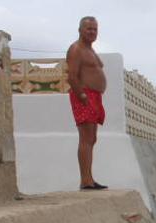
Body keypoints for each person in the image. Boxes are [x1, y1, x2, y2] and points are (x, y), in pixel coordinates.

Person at [67, 16, 108, 190]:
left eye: (95, 29)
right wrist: (82, 96)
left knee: (92, 138)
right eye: (89, 29)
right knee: (86, 138)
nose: (92, 32)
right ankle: (85, 180)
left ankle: (89, 178)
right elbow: (72, 76)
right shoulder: (76, 49)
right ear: (80, 30)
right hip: (84, 95)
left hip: (95, 96)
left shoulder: (90, 50)